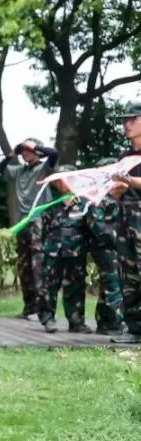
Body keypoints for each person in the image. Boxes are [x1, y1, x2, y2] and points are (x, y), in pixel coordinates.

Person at [0, 138, 60, 319]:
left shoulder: (43, 169)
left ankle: (43, 309)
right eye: (23, 150)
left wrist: (35, 146)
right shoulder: (19, 171)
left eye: (28, 149)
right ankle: (30, 307)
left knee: (38, 265)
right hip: (22, 222)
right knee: (24, 266)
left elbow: (54, 154)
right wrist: (12, 154)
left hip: (39, 220)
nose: (24, 152)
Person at [37, 166, 91, 333]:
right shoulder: (51, 205)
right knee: (49, 285)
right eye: (58, 181)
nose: (61, 183)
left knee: (75, 287)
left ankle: (76, 322)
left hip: (76, 251)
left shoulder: (84, 203)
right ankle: (48, 319)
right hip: (53, 251)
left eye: (65, 179)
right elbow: (45, 230)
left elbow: (89, 228)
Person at [110, 103, 141, 343]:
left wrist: (129, 180)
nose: (127, 124)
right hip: (125, 218)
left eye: (133, 119)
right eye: (125, 120)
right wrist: (117, 188)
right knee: (128, 276)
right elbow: (116, 191)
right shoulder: (124, 157)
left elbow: (131, 181)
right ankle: (134, 329)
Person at [85, 158, 126, 335]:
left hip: (119, 248)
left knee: (109, 283)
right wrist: (120, 241)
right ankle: (119, 323)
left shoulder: (123, 196)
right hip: (104, 248)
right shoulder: (97, 198)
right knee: (113, 283)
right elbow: (98, 227)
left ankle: (104, 322)